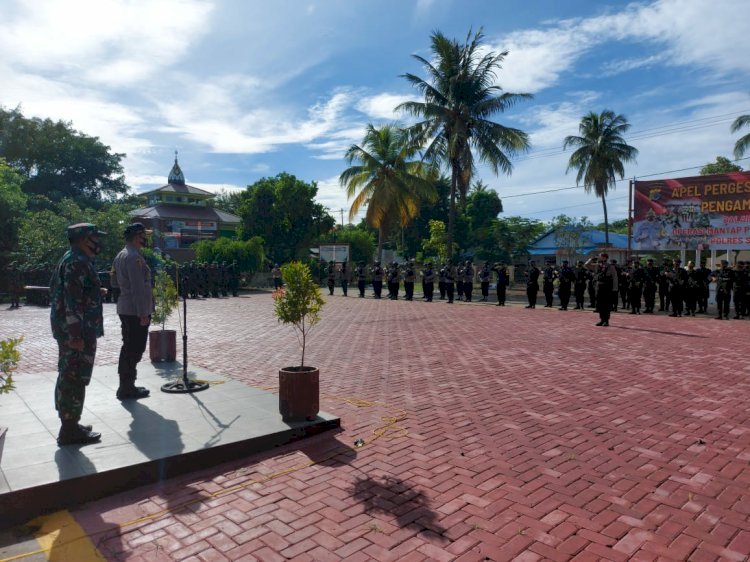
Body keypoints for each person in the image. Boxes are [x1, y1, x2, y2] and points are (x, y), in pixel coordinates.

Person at [50, 223, 107, 445]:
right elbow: (71, 301)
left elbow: (72, 293)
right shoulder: (76, 262)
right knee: (74, 376)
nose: (98, 242)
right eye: (95, 237)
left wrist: (95, 291)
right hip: (76, 332)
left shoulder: (71, 258)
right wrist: (75, 335)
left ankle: (70, 423)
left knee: (69, 374)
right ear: (84, 239)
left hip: (72, 329)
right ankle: (69, 430)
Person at [112, 223, 153, 400]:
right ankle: (127, 388)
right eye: (144, 235)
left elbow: (113, 282)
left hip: (125, 307)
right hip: (135, 311)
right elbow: (138, 288)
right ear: (137, 237)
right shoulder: (133, 257)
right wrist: (143, 313)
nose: (146, 239)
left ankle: (127, 385)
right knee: (134, 349)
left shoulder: (120, 255)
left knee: (128, 347)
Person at [586, 253, 618, 326]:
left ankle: (606, 321)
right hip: (598, 287)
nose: (599, 257)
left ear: (605, 258)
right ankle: (601, 320)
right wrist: (591, 259)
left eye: (600, 256)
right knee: (599, 304)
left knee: (606, 304)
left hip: (607, 288)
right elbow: (586, 265)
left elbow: (615, 277)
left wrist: (615, 289)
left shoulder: (610, 266)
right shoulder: (597, 265)